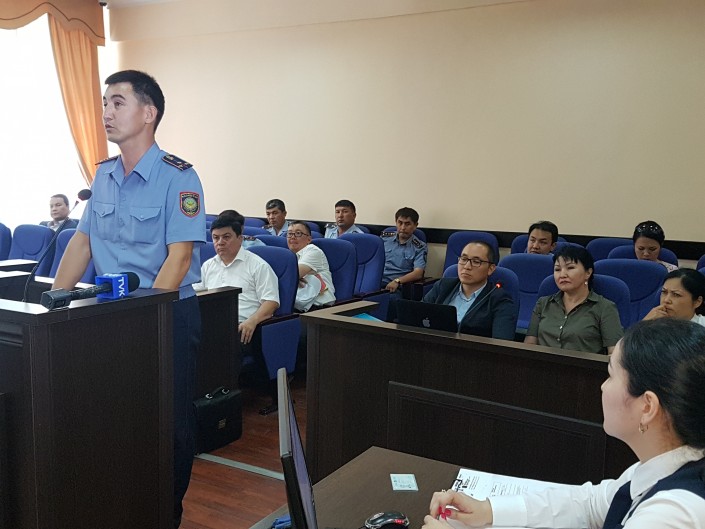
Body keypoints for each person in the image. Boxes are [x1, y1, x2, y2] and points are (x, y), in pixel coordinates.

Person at [52, 70, 205, 528]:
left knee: (169, 425)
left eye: (118, 102)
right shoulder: (102, 175)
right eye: (105, 103)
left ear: (149, 113)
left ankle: (165, 513)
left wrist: (145, 320)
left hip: (165, 316)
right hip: (109, 316)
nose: (106, 112)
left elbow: (179, 258)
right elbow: (81, 244)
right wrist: (51, 302)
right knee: (113, 419)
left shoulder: (180, 177)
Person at [423, 318, 705, 529]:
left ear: (647, 407)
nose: (603, 386)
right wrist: (489, 510)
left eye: (611, 375)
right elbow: (590, 505)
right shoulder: (663, 464)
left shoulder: (673, 514)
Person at [193, 215, 279, 382]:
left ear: (240, 239)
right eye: (215, 238)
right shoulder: (208, 265)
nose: (220, 242)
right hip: (212, 323)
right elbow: (200, 293)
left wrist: (252, 321)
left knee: (218, 346)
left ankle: (222, 391)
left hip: (243, 326)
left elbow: (271, 302)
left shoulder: (258, 265)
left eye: (226, 237)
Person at [524, 245, 623, 354]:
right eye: (557, 269)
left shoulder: (605, 308)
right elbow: (529, 345)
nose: (562, 275)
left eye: (570, 268)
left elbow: (614, 354)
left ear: (588, 273)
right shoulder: (543, 303)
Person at [423, 241, 517, 340]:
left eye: (476, 262)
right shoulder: (442, 286)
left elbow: (501, 343)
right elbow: (418, 317)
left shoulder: (500, 300)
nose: (467, 266)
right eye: (463, 259)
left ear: (490, 269)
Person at [286, 221, 335, 311]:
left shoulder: (313, 251)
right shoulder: (288, 256)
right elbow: (288, 277)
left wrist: (294, 278)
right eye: (289, 234)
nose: (292, 237)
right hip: (298, 305)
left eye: (298, 233)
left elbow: (292, 275)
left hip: (320, 308)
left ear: (309, 239)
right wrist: (295, 279)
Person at [381, 207, 427, 291]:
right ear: (396, 222)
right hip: (376, 281)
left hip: (396, 286)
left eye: (407, 224)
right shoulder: (384, 238)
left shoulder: (420, 247)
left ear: (415, 225)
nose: (402, 227)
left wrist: (397, 281)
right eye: (400, 223)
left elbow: (418, 273)